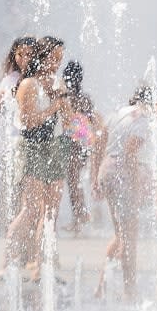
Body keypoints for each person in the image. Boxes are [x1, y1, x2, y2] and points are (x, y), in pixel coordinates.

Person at [92, 85, 157, 300]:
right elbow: (128, 153)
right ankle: (130, 291)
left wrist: (96, 176)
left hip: (108, 171)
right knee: (129, 238)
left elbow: (98, 141)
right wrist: (136, 185)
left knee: (121, 236)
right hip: (123, 177)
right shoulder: (144, 121)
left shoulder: (119, 112)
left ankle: (102, 288)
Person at [3, 36, 68, 281]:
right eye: (54, 58)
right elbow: (29, 121)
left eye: (60, 59)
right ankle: (7, 264)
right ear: (42, 56)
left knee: (51, 212)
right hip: (31, 146)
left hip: (55, 146)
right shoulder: (28, 84)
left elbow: (69, 120)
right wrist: (55, 105)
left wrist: (88, 133)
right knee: (30, 209)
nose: (57, 64)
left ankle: (42, 268)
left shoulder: (57, 82)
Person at [0, 37, 35, 233]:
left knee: (24, 186)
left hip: (28, 139)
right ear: (14, 55)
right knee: (6, 184)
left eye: (29, 54)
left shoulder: (35, 80)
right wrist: (0, 105)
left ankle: (19, 224)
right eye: (20, 54)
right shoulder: (9, 79)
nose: (24, 58)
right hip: (6, 140)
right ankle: (3, 223)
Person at [61, 59, 101, 233]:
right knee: (75, 181)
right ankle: (82, 215)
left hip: (71, 145)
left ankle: (79, 218)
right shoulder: (85, 98)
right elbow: (92, 120)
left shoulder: (66, 98)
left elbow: (65, 122)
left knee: (73, 182)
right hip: (84, 145)